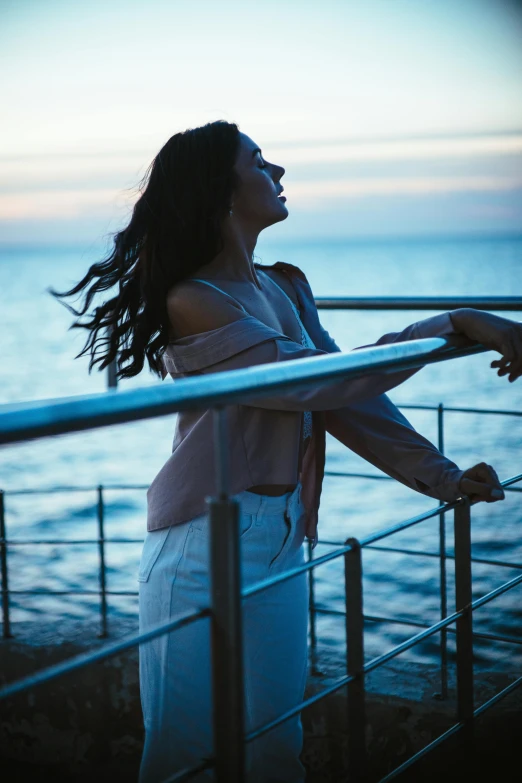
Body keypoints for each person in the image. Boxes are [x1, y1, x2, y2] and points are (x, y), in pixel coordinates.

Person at [48, 120, 521, 782]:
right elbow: (319, 382)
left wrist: (441, 475)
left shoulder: (285, 287)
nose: (280, 171)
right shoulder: (194, 301)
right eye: (261, 161)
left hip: (282, 533)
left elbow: (345, 398)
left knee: (275, 742)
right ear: (220, 189)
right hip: (199, 545)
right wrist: (457, 321)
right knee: (181, 755)